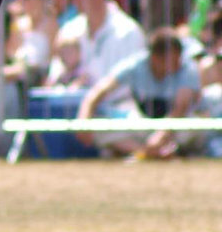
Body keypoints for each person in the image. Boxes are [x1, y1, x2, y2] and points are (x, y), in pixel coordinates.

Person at [77, 28, 201, 157]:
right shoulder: (135, 65)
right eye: (172, 61)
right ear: (155, 58)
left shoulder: (187, 69)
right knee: (100, 129)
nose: (177, 65)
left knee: (193, 130)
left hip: (175, 128)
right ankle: (146, 152)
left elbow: (180, 109)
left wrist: (161, 135)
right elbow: (98, 91)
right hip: (143, 125)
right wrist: (83, 120)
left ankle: (149, 151)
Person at [60, 0, 146, 86]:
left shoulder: (129, 31)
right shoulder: (69, 29)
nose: (75, 2)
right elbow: (57, 73)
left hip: (118, 103)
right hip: (72, 101)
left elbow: (132, 81)